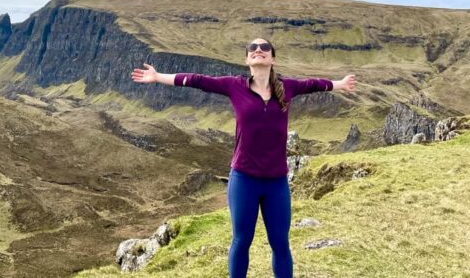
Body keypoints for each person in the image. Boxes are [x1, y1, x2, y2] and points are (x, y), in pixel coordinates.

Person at [131, 38, 356, 278]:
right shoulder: (234, 86)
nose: (259, 50)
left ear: (272, 58)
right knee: (241, 240)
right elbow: (196, 80)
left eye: (265, 48)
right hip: (244, 179)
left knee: (280, 244)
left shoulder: (287, 87)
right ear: (247, 59)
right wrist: (158, 77)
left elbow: (314, 84)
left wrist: (340, 84)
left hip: (276, 182)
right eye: (253, 48)